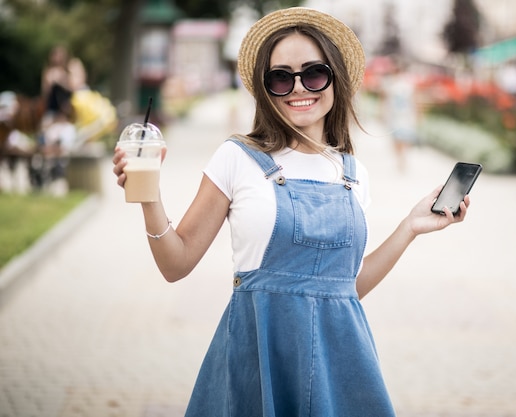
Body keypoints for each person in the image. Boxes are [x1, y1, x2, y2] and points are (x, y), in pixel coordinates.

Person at [112, 7, 471, 416]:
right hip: (258, 358)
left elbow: (344, 291)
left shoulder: (352, 173)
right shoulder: (237, 158)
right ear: (267, 90)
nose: (299, 88)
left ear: (335, 78)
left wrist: (410, 226)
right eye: (281, 77)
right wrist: (149, 197)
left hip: (342, 362)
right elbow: (175, 265)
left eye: (313, 73)